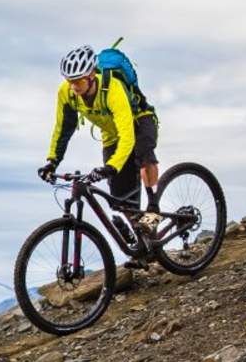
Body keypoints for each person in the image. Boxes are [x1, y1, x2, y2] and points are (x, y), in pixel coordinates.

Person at [39, 44, 161, 265]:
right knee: (120, 198)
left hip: (139, 122)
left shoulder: (112, 89)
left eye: (78, 81)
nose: (73, 86)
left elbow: (128, 136)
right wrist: (51, 161)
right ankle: (145, 246)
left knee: (144, 156)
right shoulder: (66, 93)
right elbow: (63, 129)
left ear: (91, 76)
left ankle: (153, 207)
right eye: (70, 81)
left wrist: (112, 166)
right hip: (112, 135)